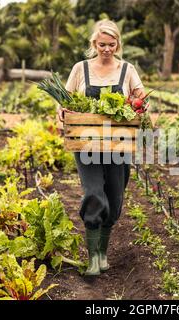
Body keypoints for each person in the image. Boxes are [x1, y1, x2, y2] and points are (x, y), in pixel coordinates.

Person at [57, 19, 146, 276]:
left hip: (118, 145)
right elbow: (63, 102)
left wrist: (140, 104)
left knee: (115, 198)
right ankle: (93, 258)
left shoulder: (127, 70)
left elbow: (139, 96)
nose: (106, 49)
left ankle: (103, 252)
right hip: (87, 144)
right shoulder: (80, 69)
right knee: (94, 193)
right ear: (94, 44)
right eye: (101, 44)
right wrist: (62, 112)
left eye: (111, 44)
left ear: (118, 44)